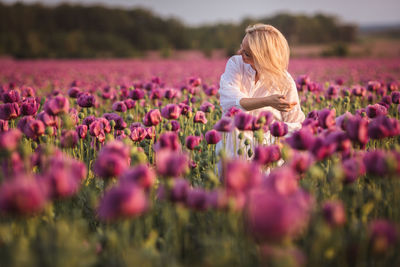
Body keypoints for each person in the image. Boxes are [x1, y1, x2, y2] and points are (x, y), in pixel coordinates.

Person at [215, 24, 305, 175]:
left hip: (265, 155)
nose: (240, 54)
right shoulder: (236, 64)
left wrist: (276, 146)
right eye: (241, 48)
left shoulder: (285, 81)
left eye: (247, 53)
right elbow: (229, 101)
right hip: (232, 147)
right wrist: (267, 101)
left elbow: (295, 123)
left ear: (263, 56)